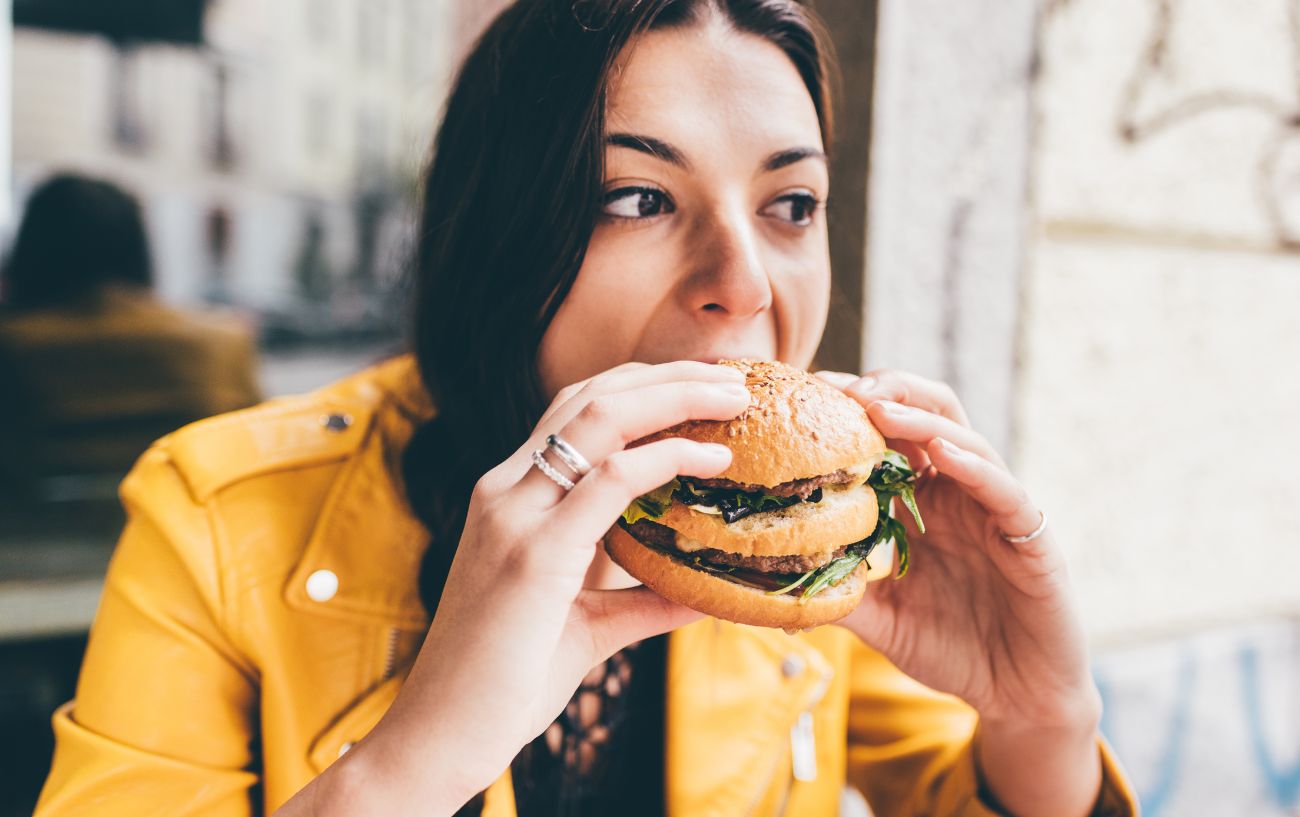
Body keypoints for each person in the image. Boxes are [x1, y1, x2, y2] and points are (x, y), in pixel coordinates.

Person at [34, 2, 1138, 816]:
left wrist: (1040, 720)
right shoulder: (214, 511)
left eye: (791, 205)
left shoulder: (805, 543)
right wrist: (422, 752)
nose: (746, 282)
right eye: (637, 197)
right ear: (500, 233)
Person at [0, 173, 261, 490]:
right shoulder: (222, 343)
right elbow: (255, 457)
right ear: (137, 245)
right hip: (179, 534)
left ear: (32, 247)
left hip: (25, 536)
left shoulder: (14, 348)